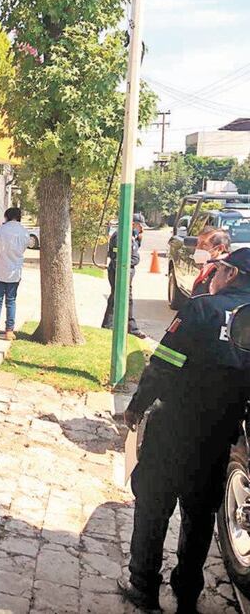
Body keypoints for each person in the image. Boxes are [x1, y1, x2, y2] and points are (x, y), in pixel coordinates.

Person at [119, 248, 250, 613]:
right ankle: (187, 592)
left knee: (154, 505)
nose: (214, 273)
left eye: (220, 268)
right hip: (220, 434)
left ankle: (143, 585)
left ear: (234, 273)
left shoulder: (203, 308)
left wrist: (136, 405)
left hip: (175, 426)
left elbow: (165, 363)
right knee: (200, 513)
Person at [0, 207, 30, 341]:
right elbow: (22, 250)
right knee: (11, 301)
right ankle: (9, 332)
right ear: (19, 217)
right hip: (15, 271)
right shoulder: (25, 233)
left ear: (6, 216)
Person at [102, 216, 147, 339]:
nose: (142, 228)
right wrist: (122, 271)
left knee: (127, 299)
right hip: (120, 271)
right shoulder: (120, 235)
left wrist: (138, 239)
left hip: (128, 271)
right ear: (132, 224)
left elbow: (134, 251)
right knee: (116, 298)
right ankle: (108, 325)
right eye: (140, 225)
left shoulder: (132, 236)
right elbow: (116, 255)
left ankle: (130, 327)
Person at [191, 226, 231, 297]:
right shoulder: (211, 266)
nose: (197, 248)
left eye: (204, 245)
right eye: (198, 244)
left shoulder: (223, 272)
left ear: (219, 249)